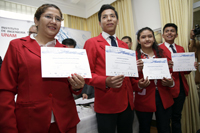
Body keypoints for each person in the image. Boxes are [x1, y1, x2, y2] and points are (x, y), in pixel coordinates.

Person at [0, 4, 85, 133]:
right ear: (36, 20)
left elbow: (71, 88)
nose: (53, 21)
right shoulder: (17, 46)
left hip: (65, 121)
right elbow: (6, 90)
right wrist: (8, 127)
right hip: (30, 121)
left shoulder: (66, 51)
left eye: (58, 19)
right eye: (48, 16)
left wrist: (77, 87)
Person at [83, 4, 143, 133]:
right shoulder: (91, 43)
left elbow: (127, 74)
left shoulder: (124, 45)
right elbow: (86, 74)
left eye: (112, 16)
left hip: (127, 103)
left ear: (117, 21)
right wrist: (105, 82)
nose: (109, 19)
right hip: (107, 104)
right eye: (105, 17)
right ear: (100, 23)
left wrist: (135, 69)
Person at [134, 27, 175, 133]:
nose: (147, 39)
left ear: (153, 38)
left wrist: (171, 83)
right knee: (144, 128)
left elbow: (171, 74)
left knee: (165, 128)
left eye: (150, 36)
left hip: (163, 96)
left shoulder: (162, 54)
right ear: (138, 40)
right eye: (143, 37)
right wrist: (139, 84)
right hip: (144, 98)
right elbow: (129, 81)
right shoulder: (133, 57)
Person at [159, 23, 197, 133]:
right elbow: (157, 69)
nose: (169, 33)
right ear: (163, 35)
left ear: (176, 35)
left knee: (177, 117)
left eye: (172, 31)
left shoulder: (180, 48)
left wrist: (191, 66)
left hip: (181, 88)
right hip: (166, 89)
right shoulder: (158, 49)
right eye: (167, 31)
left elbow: (185, 71)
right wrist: (167, 66)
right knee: (165, 119)